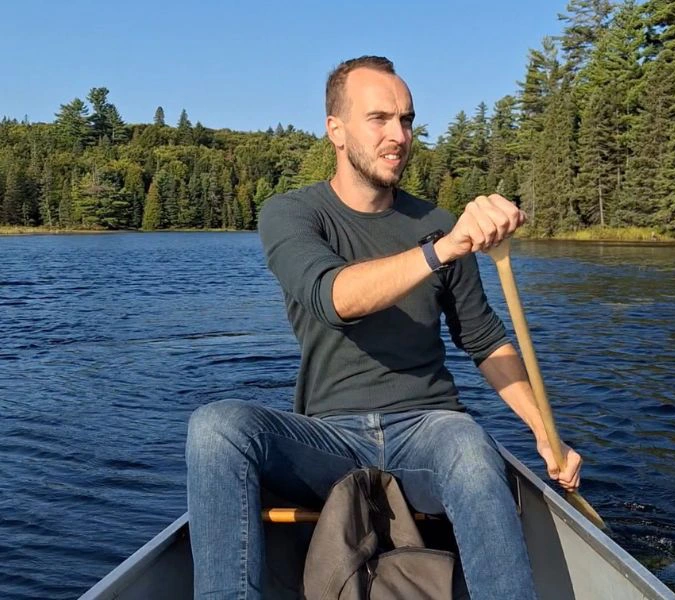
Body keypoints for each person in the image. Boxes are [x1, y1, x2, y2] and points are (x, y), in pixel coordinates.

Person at [186, 55, 582, 600]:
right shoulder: (292, 214)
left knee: (468, 442)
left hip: (429, 431)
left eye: (407, 120)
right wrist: (444, 249)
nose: (398, 135)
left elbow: (485, 339)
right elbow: (335, 298)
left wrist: (543, 431)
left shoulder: (435, 223)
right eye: (379, 119)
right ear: (336, 129)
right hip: (328, 437)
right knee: (216, 427)